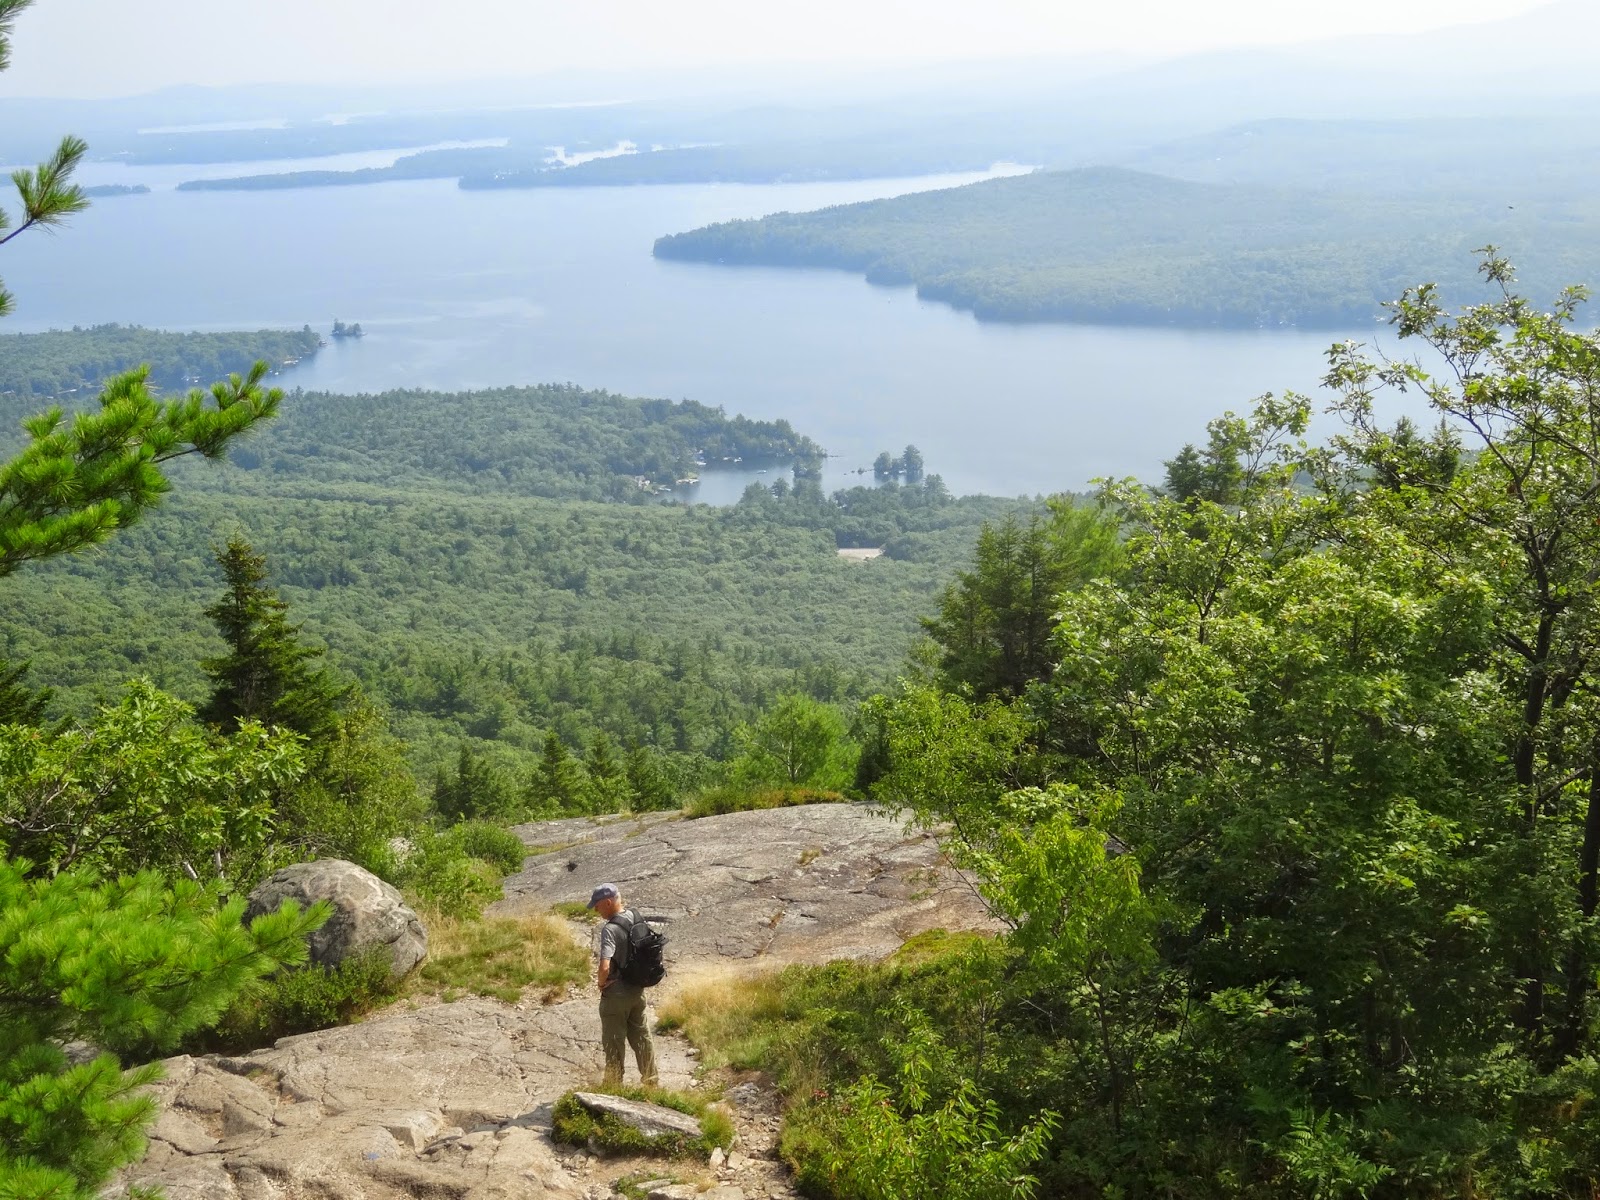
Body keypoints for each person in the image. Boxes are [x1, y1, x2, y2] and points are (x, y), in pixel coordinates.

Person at [586, 882, 658, 1088]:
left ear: (608, 903)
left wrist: (601, 983)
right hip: (637, 990)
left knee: (613, 1042)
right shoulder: (636, 917)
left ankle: (613, 1086)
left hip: (616, 994)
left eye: (598, 906)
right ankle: (651, 1082)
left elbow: (604, 965)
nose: (596, 910)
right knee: (642, 1036)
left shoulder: (610, 929)